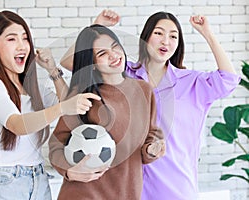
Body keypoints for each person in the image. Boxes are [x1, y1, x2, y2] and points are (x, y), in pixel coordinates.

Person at [60, 9, 240, 200]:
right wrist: (98, 28)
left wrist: (208, 33)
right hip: (129, 188)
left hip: (174, 187)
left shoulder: (192, 83)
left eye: (173, 36)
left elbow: (229, 80)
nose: (166, 41)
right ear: (145, 38)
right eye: (159, 33)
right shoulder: (124, 73)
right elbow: (72, 62)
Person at [0, 10, 101, 200]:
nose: (22, 46)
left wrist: (52, 68)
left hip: (38, 179)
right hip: (3, 182)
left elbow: (68, 104)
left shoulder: (32, 87)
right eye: (12, 39)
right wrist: (61, 109)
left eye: (25, 38)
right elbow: (17, 124)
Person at [48, 24, 165, 200]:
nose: (113, 55)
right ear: (92, 64)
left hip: (127, 193)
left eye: (115, 46)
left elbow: (151, 137)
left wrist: (152, 150)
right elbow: (56, 145)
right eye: (102, 54)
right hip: (84, 195)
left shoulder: (144, 90)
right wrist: (70, 171)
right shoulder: (83, 95)